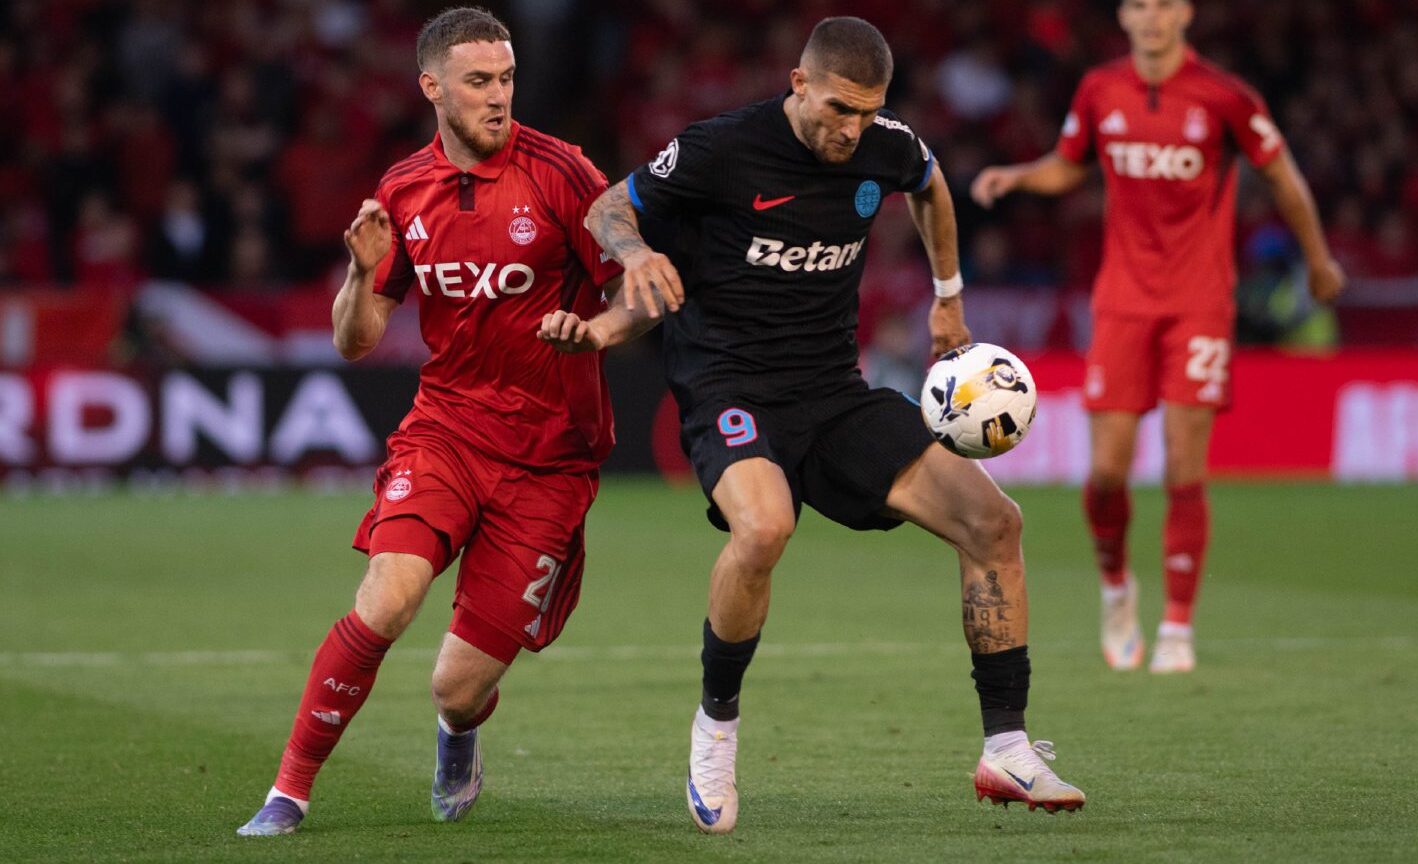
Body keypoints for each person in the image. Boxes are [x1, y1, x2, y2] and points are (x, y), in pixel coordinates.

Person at [542, 16, 1086, 834]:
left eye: (867, 113)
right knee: (764, 527)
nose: (851, 130)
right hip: (727, 385)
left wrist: (949, 296)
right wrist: (635, 257)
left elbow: (931, 184)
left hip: (833, 392)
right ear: (800, 84)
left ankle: (1006, 747)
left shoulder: (886, 146)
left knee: (995, 522)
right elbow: (608, 207)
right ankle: (716, 730)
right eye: (838, 109)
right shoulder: (722, 148)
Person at [237, 6, 629, 836]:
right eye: (479, 81)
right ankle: (289, 793)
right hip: (445, 433)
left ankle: (457, 733)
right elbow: (358, 340)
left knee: (454, 686)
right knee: (385, 601)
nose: (499, 98)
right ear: (433, 87)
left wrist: (598, 325)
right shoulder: (403, 190)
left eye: (507, 79)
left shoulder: (564, 173)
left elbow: (637, 284)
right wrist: (359, 273)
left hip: (550, 460)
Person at [970, 0, 1345, 673]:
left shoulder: (1225, 98)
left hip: (1199, 303)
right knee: (1107, 474)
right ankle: (1117, 588)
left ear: (1186, 13)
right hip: (1122, 303)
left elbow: (1282, 176)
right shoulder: (1100, 89)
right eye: (1140, 4)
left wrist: (1317, 260)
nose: (1152, 17)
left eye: (1164, 4)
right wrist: (1020, 176)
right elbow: (1068, 162)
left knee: (1182, 468)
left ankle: (1176, 625)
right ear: (1123, 15)